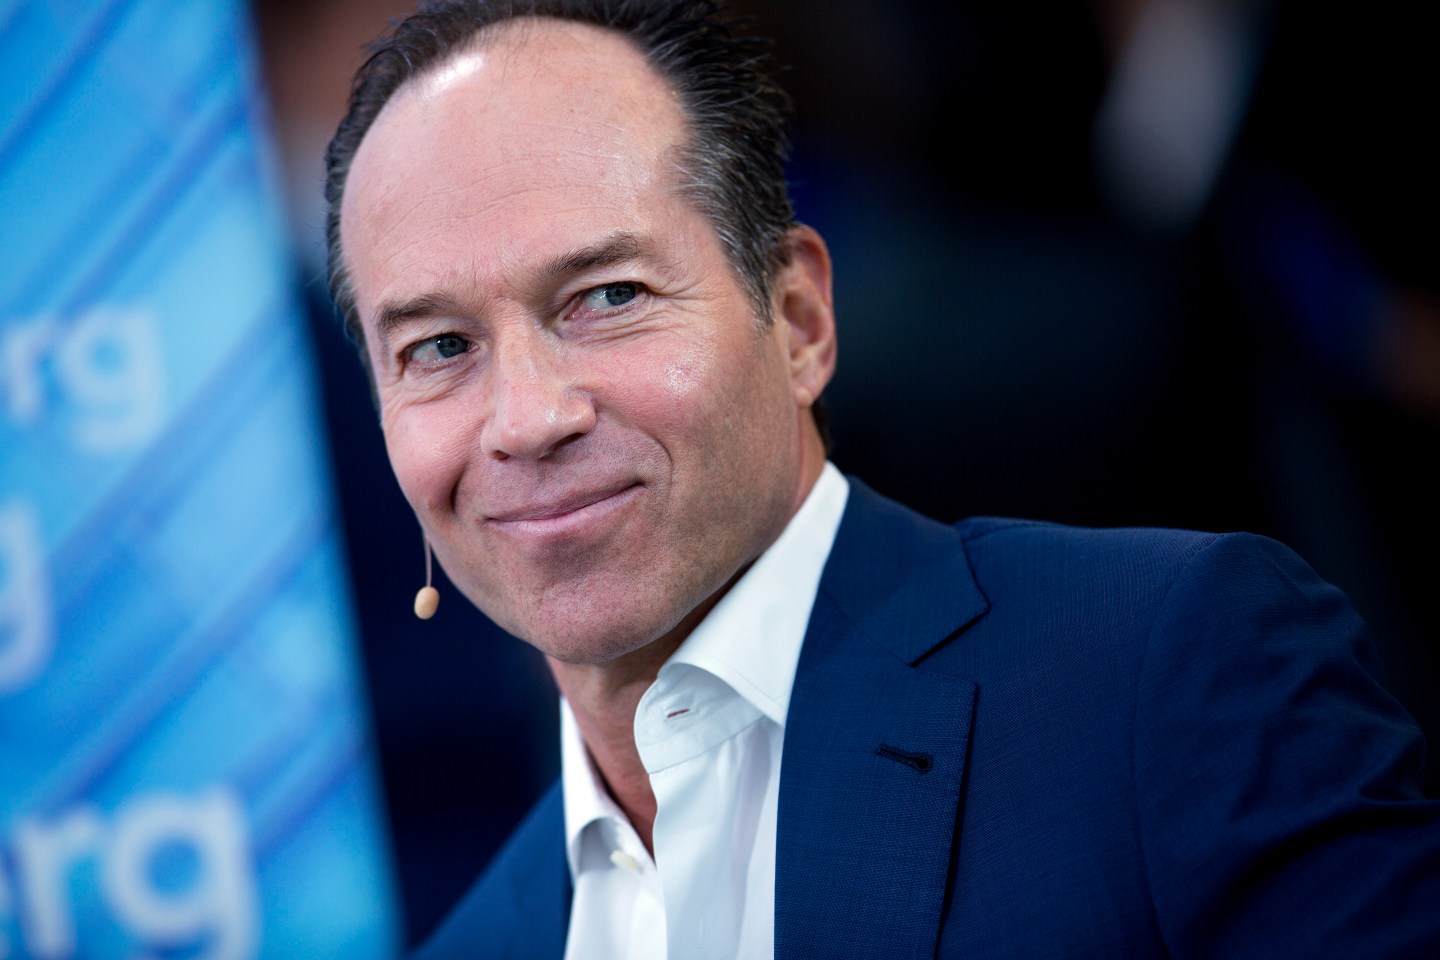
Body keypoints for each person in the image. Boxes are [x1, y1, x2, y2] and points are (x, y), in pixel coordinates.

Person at [323, 1, 1440, 957]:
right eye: (438, 348)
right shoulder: (478, 943)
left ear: (800, 320)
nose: (527, 420)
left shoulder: (1176, 676)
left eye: (609, 296)